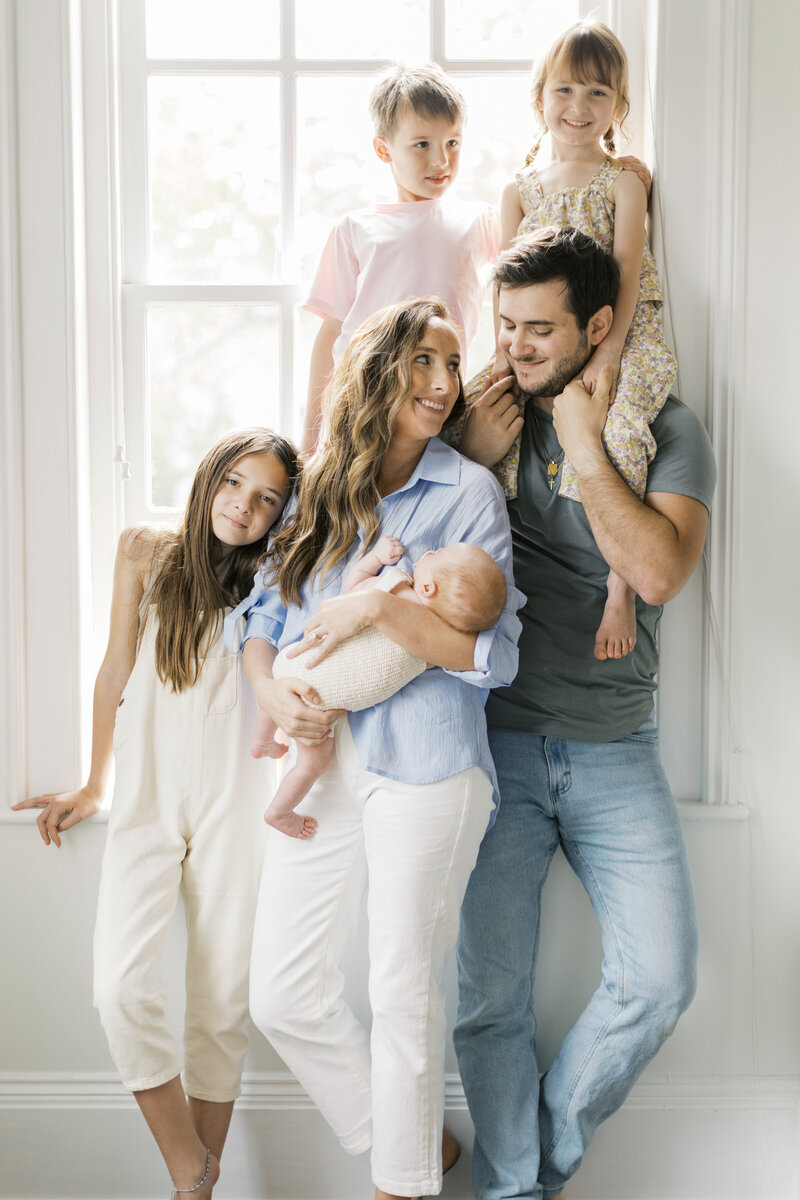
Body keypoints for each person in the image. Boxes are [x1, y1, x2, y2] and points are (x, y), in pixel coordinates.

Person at [225, 296, 523, 1200]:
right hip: (322, 755)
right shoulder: (317, 487)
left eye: (451, 365)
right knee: (279, 991)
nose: (442, 385)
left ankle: (401, 1185)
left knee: (401, 991)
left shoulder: (466, 492)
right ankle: (410, 1144)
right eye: (423, 363)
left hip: (428, 766)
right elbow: (262, 615)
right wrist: (271, 689)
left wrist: (378, 608)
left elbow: (494, 653)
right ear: (379, 370)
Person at [450, 227, 716, 1200]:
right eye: (504, 323)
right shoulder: (473, 418)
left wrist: (579, 446)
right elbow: (381, 536)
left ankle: (531, 1170)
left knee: (657, 982)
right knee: (486, 1005)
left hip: (614, 750)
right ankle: (514, 1192)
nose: (512, 348)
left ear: (597, 326)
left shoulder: (663, 427)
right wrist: (468, 463)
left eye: (537, 330)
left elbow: (654, 569)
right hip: (492, 749)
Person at [13, 429, 299, 1200]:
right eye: (235, 483)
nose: (244, 506)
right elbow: (114, 667)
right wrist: (92, 782)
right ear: (209, 476)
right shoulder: (145, 549)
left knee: (220, 1004)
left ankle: (194, 1193)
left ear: (281, 513)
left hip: (235, 802)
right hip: (146, 795)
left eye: (267, 497)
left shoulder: (274, 575)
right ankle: (188, 1161)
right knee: (120, 988)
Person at [466, 18, 674, 663]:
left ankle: (619, 589)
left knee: (621, 430)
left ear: (619, 107)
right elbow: (505, 286)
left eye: (597, 95)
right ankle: (488, 572)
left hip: (619, 333)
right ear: (540, 100)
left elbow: (629, 275)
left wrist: (608, 360)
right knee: (480, 425)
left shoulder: (622, 183)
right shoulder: (519, 190)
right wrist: (504, 360)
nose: (578, 109)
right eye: (564, 91)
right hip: (536, 341)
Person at [253, 534, 507, 839]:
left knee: (283, 683)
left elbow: (353, 586)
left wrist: (376, 557)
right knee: (312, 765)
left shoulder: (395, 585)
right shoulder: (428, 649)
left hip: (296, 661)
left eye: (438, 553)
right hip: (320, 699)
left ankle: (263, 741)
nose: (430, 551)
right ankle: (280, 811)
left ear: (427, 587)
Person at [301, 60, 498, 451]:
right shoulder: (355, 230)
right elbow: (330, 338)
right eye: (422, 144)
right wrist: (309, 445)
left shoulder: (479, 221)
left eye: (452, 143)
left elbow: (535, 252)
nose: (441, 160)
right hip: (364, 407)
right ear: (383, 149)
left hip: (436, 402)